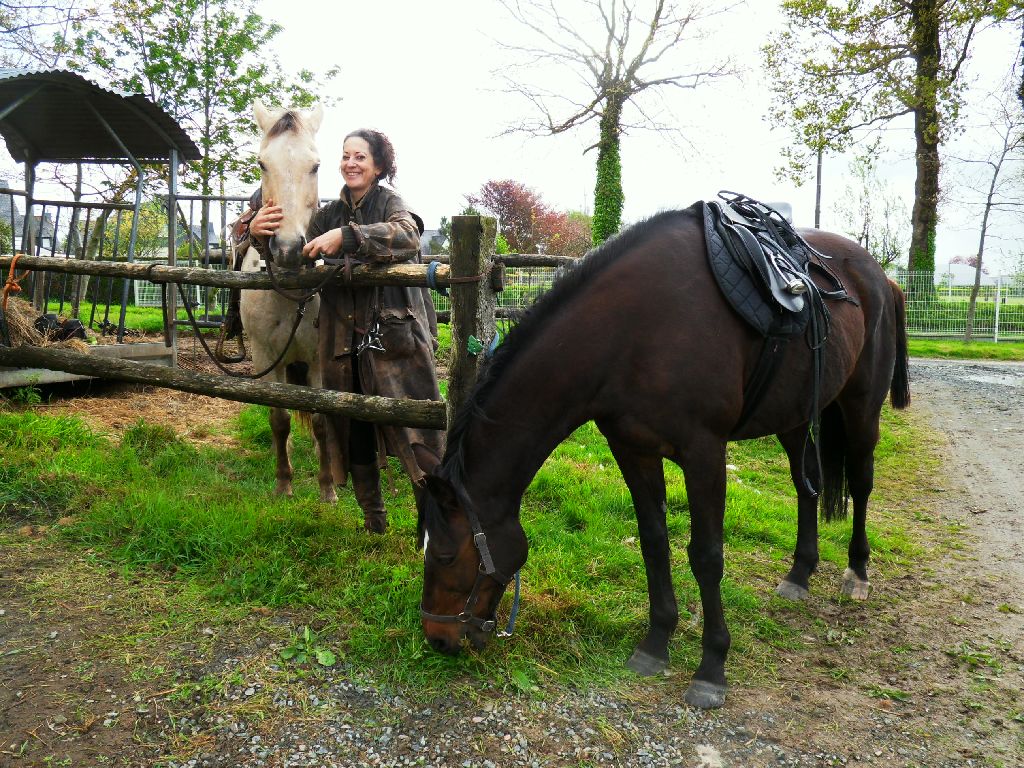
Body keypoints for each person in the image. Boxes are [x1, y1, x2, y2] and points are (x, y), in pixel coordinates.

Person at [249, 129, 444, 533]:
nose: (351, 163)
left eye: (360, 157)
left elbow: (408, 234)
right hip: (345, 341)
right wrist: (259, 235)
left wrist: (349, 237)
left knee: (416, 432)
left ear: (378, 166)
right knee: (354, 431)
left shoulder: (390, 203)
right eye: (346, 156)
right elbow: (296, 255)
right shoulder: (329, 215)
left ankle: (435, 520)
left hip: (395, 338)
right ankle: (374, 519)